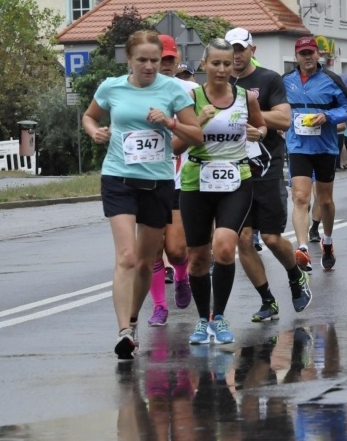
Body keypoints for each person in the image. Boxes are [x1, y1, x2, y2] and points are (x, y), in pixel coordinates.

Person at [82, 29, 202, 360]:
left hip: (158, 182)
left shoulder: (173, 90)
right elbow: (90, 116)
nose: (149, 66)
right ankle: (123, 331)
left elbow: (196, 135)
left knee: (147, 263)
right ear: (129, 59)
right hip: (118, 178)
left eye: (154, 60)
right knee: (127, 257)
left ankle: (133, 319)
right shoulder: (111, 87)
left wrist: (170, 123)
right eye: (142, 60)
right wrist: (95, 132)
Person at [174, 37, 267, 344]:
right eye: (216, 63)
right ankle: (203, 320)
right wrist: (197, 125)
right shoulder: (191, 98)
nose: (222, 69)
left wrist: (259, 132)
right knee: (198, 258)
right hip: (196, 182)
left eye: (227, 63)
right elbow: (175, 146)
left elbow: (261, 127)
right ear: (204, 64)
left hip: (236, 180)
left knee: (225, 247)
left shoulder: (246, 97)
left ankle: (220, 317)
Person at [225, 27, 312, 323]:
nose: (236, 55)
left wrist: (247, 116)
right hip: (233, 171)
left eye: (241, 49)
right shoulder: (219, 82)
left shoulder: (269, 79)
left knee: (272, 238)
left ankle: (295, 276)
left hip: (266, 167)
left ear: (252, 50)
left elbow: (284, 119)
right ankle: (267, 300)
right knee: (244, 240)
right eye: (231, 50)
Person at [285, 36, 347, 271]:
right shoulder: (286, 81)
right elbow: (276, 107)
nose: (307, 57)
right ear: (296, 56)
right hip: (298, 147)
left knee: (324, 200)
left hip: (325, 147)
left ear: (318, 55)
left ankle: (328, 240)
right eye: (303, 54)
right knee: (300, 198)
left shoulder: (331, 79)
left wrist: (328, 116)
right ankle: (303, 248)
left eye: (311, 53)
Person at [146, 34, 196, 327]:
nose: (163, 64)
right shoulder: (134, 90)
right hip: (146, 179)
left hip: (177, 179)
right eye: (158, 59)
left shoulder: (190, 90)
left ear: (176, 60)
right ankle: (159, 306)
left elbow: (199, 130)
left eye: (168, 59)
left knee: (176, 250)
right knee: (153, 248)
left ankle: (181, 275)